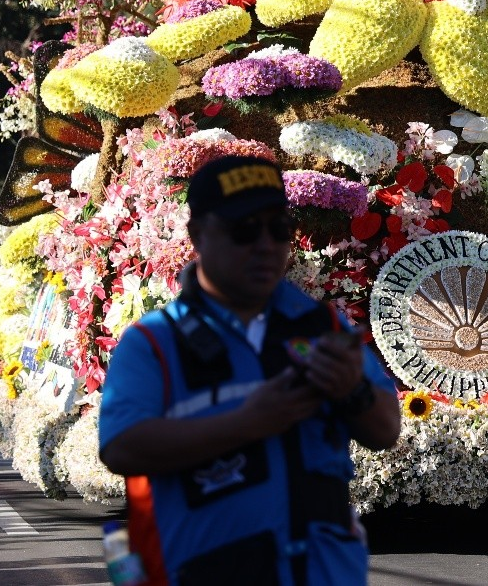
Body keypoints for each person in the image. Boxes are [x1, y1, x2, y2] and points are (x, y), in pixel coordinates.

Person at [98, 156, 401, 585]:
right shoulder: (154, 342)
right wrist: (247, 422)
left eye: (279, 230)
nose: (264, 245)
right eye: (244, 230)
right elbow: (121, 448)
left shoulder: (322, 325)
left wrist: (352, 391)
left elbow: (386, 430)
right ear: (198, 235)